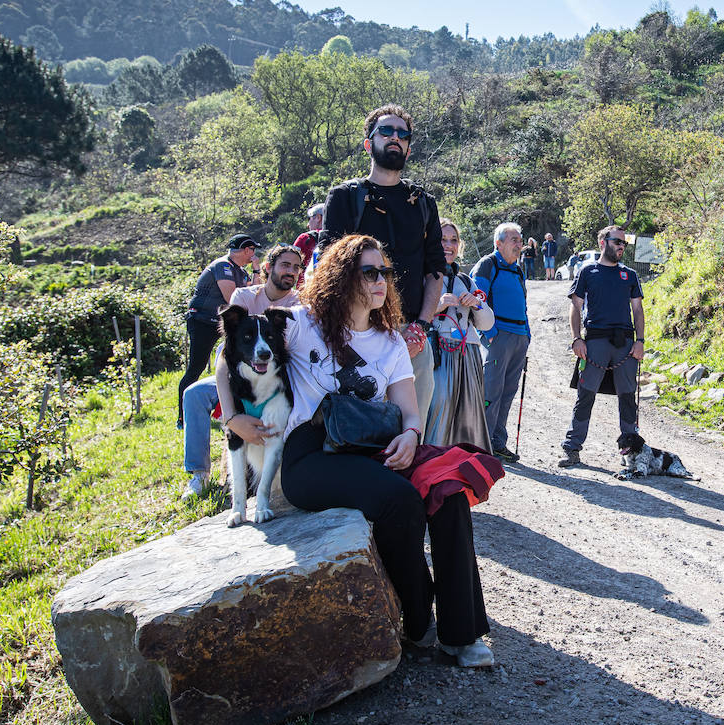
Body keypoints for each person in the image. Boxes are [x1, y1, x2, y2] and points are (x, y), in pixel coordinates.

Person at [219, 234, 493, 668]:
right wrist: (231, 418)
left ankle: (461, 634)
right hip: (311, 454)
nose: (381, 280)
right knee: (400, 501)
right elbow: (226, 353)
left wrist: (411, 435)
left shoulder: (391, 342)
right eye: (369, 272)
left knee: (449, 490)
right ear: (342, 277)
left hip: (372, 445)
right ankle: (419, 621)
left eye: (384, 271)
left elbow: (407, 407)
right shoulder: (300, 323)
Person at [320, 105, 445, 420]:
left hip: (412, 339)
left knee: (410, 437)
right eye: (386, 131)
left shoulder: (424, 204)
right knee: (355, 436)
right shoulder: (345, 197)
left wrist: (421, 327)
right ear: (368, 144)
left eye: (403, 134)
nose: (395, 138)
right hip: (356, 336)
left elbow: (435, 271)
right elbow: (326, 265)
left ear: (409, 147)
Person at [181, 244, 303, 498]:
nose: (291, 272)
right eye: (285, 265)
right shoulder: (244, 298)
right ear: (268, 268)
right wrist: (231, 418)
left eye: (296, 267)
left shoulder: (298, 306)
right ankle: (199, 475)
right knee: (193, 394)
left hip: (277, 379)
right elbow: (225, 356)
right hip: (237, 375)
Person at [558, 225, 645, 468]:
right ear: (602, 242)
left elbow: (638, 310)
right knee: (585, 395)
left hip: (625, 344)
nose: (621, 246)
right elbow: (576, 307)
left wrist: (640, 341)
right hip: (594, 341)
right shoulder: (587, 271)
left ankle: (633, 455)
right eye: (617, 241)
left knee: (628, 398)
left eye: (624, 243)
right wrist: (577, 338)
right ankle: (572, 448)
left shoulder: (630, 275)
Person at [424, 219, 495, 451]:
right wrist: (437, 305)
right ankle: (431, 468)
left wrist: (477, 304)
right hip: (437, 356)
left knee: (469, 417)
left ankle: (461, 474)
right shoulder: (422, 277)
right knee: (438, 411)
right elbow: (411, 315)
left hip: (468, 356)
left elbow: (486, 324)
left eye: (453, 240)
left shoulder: (466, 280)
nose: (449, 245)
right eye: (442, 240)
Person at [178, 234, 257, 428]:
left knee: (235, 365)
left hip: (222, 323)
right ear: (247, 249)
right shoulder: (222, 266)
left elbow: (252, 295)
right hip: (203, 322)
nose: (254, 255)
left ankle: (227, 410)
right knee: (195, 368)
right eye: (253, 250)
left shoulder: (240, 271)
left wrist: (256, 270)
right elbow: (233, 299)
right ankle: (183, 416)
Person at [472, 223, 531, 463]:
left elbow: (524, 303)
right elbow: (477, 299)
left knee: (508, 393)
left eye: (520, 240)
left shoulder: (518, 270)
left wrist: (527, 333)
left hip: (519, 337)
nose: (519, 244)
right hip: (498, 337)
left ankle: (498, 442)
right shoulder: (488, 264)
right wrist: (491, 331)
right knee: (491, 391)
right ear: (499, 243)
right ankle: (482, 443)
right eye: (514, 240)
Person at [293, 202, 325, 284]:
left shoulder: (305, 238)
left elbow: (290, 260)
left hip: (305, 289)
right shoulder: (341, 238)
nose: (308, 224)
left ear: (318, 217)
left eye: (309, 219)